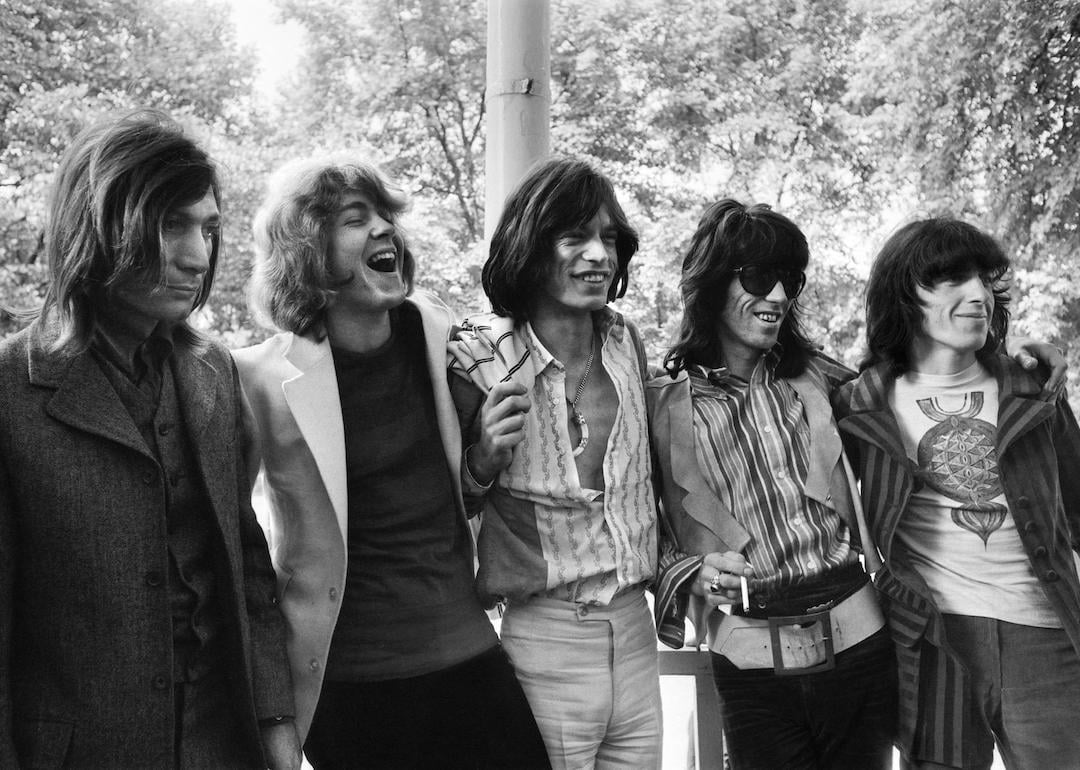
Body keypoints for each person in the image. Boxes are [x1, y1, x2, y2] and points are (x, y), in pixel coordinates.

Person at [0, 110, 299, 768]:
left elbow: (247, 568)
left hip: (224, 747)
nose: (198, 256)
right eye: (172, 224)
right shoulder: (8, 393)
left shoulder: (213, 373)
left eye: (209, 227)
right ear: (98, 223)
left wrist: (277, 723)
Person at [233, 153, 548, 769]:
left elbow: (460, 498)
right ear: (308, 254)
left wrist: (482, 459)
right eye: (356, 219)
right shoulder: (258, 380)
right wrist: (270, 713)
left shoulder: (438, 334)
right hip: (349, 689)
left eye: (385, 217)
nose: (384, 229)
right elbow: (240, 554)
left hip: (467, 656)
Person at [647, 199, 896, 769]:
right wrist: (686, 570)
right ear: (712, 282)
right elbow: (625, 517)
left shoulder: (824, 380)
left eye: (791, 280)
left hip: (859, 642)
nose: (780, 296)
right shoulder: (661, 403)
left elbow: (916, 388)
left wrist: (1009, 363)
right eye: (760, 277)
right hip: (748, 656)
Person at [833, 218, 1080, 769]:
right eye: (950, 280)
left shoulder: (1032, 389)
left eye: (984, 280)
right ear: (903, 295)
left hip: (1045, 637)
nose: (978, 295)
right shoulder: (857, 405)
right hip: (931, 640)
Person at [448, 156, 662, 770]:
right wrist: (483, 458)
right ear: (531, 246)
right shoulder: (479, 359)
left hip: (635, 629)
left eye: (610, 239)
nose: (599, 255)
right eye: (575, 237)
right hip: (544, 637)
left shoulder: (625, 342)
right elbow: (445, 510)